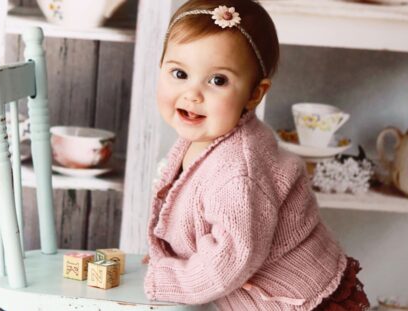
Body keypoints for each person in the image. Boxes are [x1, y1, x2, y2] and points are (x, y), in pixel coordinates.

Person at [144, 0, 370, 310]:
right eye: (179, 73)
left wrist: (169, 279)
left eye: (218, 80)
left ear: (254, 93)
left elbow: (231, 258)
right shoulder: (201, 140)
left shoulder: (239, 172)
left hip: (297, 301)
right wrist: (176, 260)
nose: (192, 94)